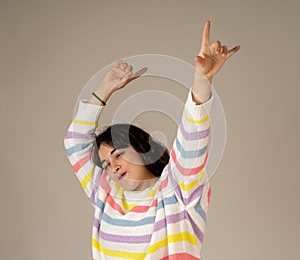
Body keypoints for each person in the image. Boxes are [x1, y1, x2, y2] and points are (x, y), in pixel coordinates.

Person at [64, 20, 240, 260]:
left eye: (118, 154)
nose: (112, 166)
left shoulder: (176, 191)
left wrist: (203, 80)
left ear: (144, 150)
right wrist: (104, 89)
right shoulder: (106, 193)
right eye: (106, 163)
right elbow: (75, 144)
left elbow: (191, 142)